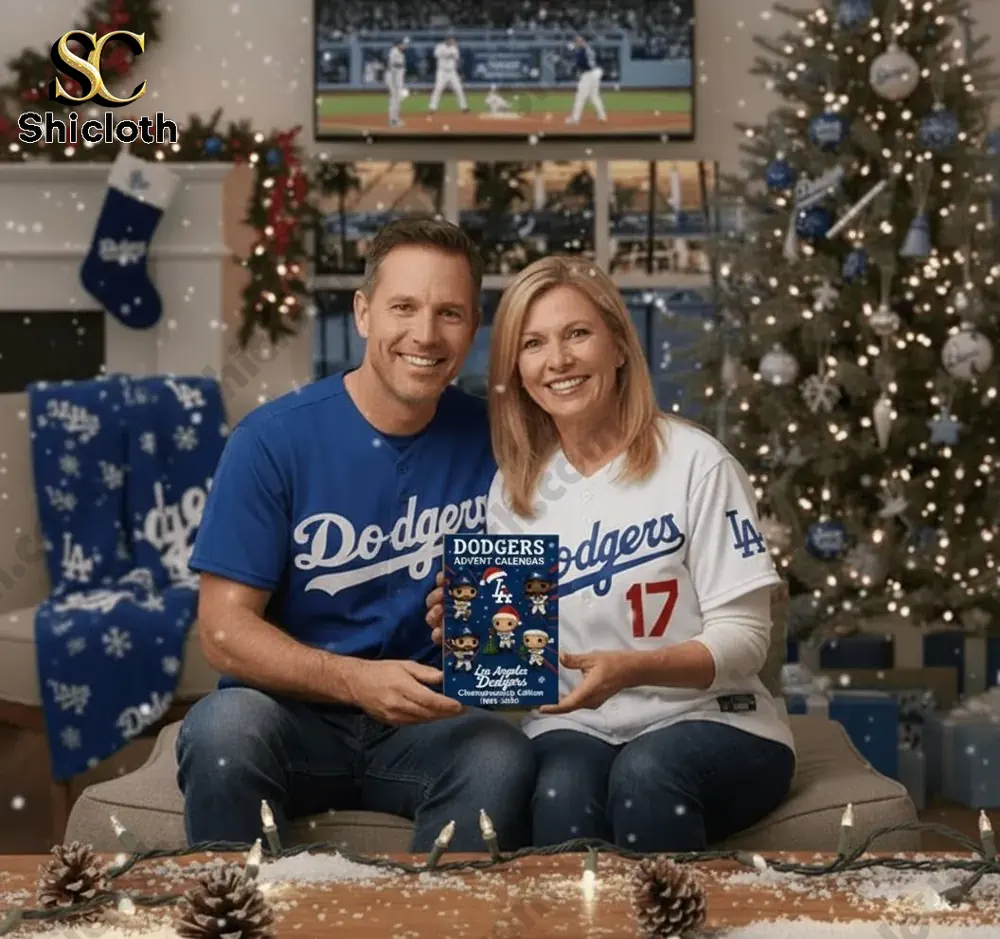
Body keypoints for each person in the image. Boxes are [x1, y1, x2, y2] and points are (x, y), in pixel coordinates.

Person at [177, 217, 537, 852]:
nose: (425, 335)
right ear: (364, 313)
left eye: (449, 313)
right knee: (222, 728)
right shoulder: (271, 441)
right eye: (404, 307)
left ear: (474, 327)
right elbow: (223, 633)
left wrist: (478, 635)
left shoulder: (500, 441)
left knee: (499, 753)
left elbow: (509, 649)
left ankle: (443, 921)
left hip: (429, 723)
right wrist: (352, 679)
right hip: (288, 718)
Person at [426, 255, 795, 852]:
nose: (559, 360)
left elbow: (747, 639)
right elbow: (518, 659)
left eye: (577, 334)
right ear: (518, 370)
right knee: (557, 794)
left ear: (619, 346)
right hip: (575, 725)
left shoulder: (698, 463)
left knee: (647, 778)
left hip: (713, 716)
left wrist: (635, 668)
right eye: (533, 344)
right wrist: (472, 633)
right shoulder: (515, 490)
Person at [567, 34, 607, 124]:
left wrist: (573, 51)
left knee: (580, 97)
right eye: (577, 41)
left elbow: (580, 63)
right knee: (594, 96)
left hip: (588, 74)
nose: (577, 42)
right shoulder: (589, 48)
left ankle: (575, 119)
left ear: (583, 41)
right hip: (595, 73)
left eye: (579, 41)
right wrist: (574, 50)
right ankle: (602, 116)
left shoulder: (583, 50)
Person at [429, 34, 469, 113]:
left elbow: (456, 58)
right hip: (442, 71)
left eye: (452, 40)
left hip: (452, 72)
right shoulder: (440, 46)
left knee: (459, 89)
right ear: (446, 40)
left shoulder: (454, 48)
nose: (452, 41)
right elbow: (436, 55)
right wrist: (447, 54)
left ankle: (464, 107)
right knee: (438, 89)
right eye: (450, 40)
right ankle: (432, 107)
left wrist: (451, 51)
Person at [386, 38, 408, 126]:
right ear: (399, 44)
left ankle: (395, 119)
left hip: (397, 78)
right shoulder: (394, 51)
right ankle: (393, 120)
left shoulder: (401, 54)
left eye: (405, 44)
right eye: (403, 44)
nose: (405, 46)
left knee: (397, 99)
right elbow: (393, 64)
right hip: (392, 78)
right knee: (395, 98)